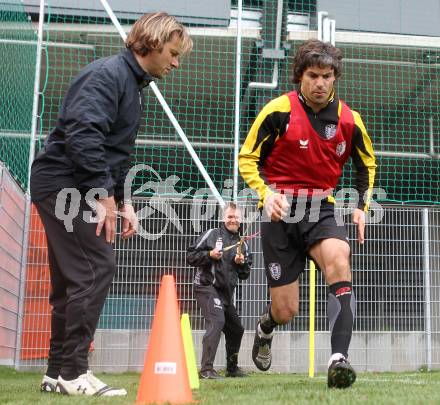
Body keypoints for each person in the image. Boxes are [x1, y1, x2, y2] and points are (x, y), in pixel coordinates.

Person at [30, 12, 192, 396]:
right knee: (94, 269)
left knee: (72, 279)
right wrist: (103, 196)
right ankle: (74, 372)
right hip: (64, 183)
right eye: (172, 53)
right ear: (150, 44)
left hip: (75, 184)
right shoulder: (108, 75)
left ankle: (57, 373)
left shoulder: (133, 84)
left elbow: (114, 151)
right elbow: (83, 135)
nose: (175, 62)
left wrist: (122, 201)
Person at [238, 39, 376, 388]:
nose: (320, 83)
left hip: (321, 210)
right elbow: (247, 158)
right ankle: (265, 327)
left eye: (327, 76)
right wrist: (266, 195)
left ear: (335, 78)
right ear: (300, 75)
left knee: (339, 258)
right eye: (313, 75)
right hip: (279, 214)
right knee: (286, 311)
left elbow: (367, 165)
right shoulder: (277, 111)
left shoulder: (349, 120)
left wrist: (361, 208)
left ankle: (338, 359)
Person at [187, 202, 252, 379]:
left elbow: (245, 274)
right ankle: (206, 370)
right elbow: (190, 256)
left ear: (241, 219)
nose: (233, 220)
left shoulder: (242, 245)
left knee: (236, 329)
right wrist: (209, 255)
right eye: (230, 217)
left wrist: (242, 263)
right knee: (217, 321)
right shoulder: (211, 235)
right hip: (206, 287)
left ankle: (232, 369)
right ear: (224, 218)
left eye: (236, 217)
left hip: (226, 295)